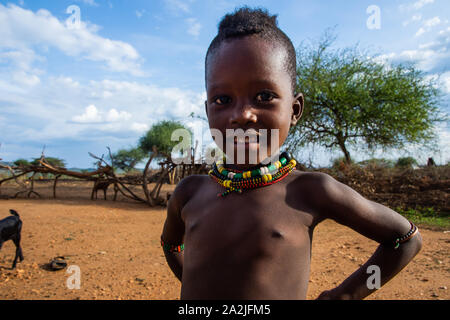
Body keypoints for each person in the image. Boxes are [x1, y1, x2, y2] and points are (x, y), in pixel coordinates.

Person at [161, 7, 422, 300]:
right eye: (223, 99)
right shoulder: (190, 193)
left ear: (294, 110)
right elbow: (171, 245)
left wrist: (346, 295)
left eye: (264, 97)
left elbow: (404, 239)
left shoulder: (309, 190)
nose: (243, 114)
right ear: (209, 111)